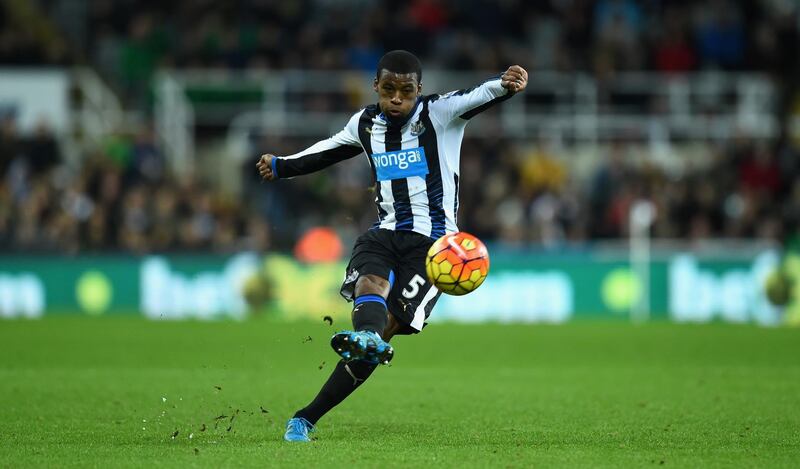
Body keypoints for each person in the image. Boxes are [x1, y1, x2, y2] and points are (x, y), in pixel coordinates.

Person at [256, 50, 527, 442]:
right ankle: (361, 342)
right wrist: (282, 165)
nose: (396, 98)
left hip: (436, 249)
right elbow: (328, 149)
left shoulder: (439, 113)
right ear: (376, 87)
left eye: (406, 91)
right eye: (388, 90)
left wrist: (505, 84)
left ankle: (308, 414)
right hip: (384, 231)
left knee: (382, 333)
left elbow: (477, 95)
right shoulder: (364, 124)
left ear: (419, 90)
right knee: (369, 285)